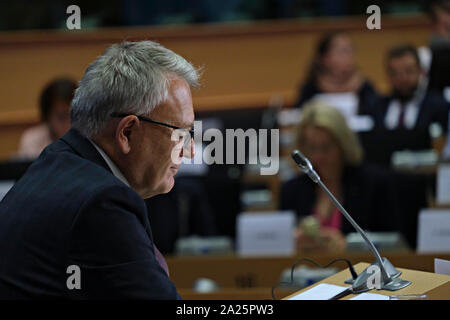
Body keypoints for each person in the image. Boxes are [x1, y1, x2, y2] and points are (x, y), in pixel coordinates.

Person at [0, 41, 200, 299]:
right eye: (181, 134)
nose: (189, 150)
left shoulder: (56, 161)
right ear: (127, 132)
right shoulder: (101, 204)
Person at [280, 101, 396, 253]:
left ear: (343, 145)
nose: (318, 156)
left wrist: (350, 246)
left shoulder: (374, 184)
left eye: (326, 148)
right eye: (312, 148)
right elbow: (278, 247)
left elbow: (394, 244)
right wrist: (292, 244)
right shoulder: (291, 190)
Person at [293, 31, 380, 117]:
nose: (350, 56)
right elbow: (300, 117)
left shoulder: (364, 87)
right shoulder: (310, 88)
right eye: (343, 51)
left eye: (351, 50)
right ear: (325, 58)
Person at [372, 44, 449, 134]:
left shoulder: (439, 105)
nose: (402, 78)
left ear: (421, 71)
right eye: (395, 73)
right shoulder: (378, 107)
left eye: (409, 71)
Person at [16, 78, 76, 159]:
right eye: (62, 117)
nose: (70, 124)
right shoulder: (32, 140)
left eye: (74, 115)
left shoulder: (88, 139)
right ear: (47, 117)